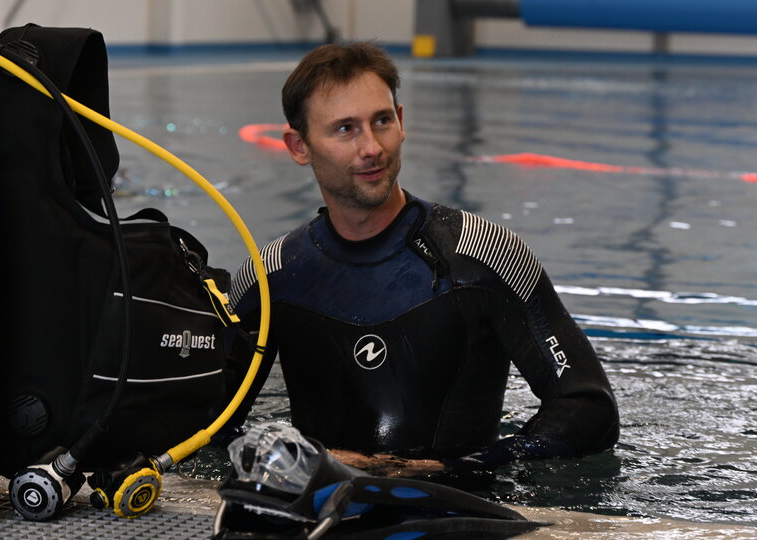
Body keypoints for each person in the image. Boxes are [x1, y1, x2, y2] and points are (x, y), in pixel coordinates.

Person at [227, 42, 619, 476]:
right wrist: (295, 459)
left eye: (382, 121)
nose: (372, 147)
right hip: (318, 510)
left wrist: (461, 467)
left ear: (401, 121)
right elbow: (205, 425)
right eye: (345, 129)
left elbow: (588, 408)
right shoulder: (272, 275)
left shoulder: (484, 255)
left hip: (459, 505)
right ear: (298, 147)